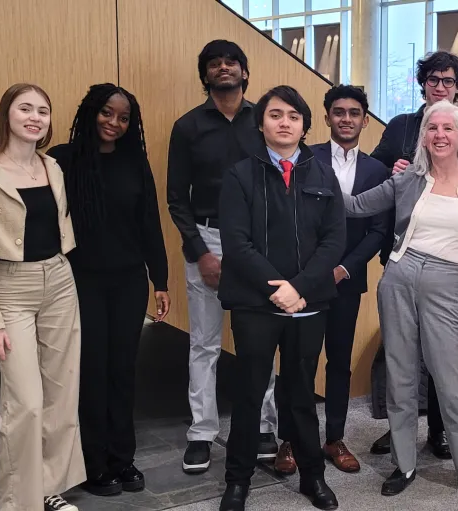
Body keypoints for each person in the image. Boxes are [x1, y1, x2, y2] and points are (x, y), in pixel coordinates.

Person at [343, 100, 458, 501]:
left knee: (451, 379)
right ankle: (404, 462)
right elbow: (357, 206)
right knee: (400, 374)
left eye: (447, 128)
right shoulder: (408, 179)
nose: (439, 134)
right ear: (423, 137)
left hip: (450, 280)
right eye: (432, 127)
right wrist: (314, 182)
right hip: (400, 274)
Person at [0, 83, 84, 511]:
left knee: (62, 396)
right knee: (25, 402)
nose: (34, 117)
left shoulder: (52, 167)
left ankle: (47, 488)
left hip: (59, 281)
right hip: (10, 288)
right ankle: (14, 501)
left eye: (42, 111)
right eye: (25, 108)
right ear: (6, 115)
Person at [217, 86, 345, 511]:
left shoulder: (322, 174)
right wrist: (279, 289)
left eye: (293, 116)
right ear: (261, 123)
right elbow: (236, 244)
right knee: (250, 392)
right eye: (275, 115)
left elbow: (333, 240)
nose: (284, 122)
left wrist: (300, 288)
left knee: (301, 393)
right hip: (255, 303)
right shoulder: (239, 175)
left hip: (308, 303)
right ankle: (237, 481)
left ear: (305, 125)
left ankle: (313, 476)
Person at [368, 50, 458, 459]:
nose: (440, 87)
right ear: (423, 84)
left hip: (453, 266)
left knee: (446, 364)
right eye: (434, 80)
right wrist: (393, 172)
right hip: (404, 256)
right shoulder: (401, 127)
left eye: (448, 81)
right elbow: (372, 174)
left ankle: (442, 434)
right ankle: (401, 441)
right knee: (400, 363)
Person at [47, 84, 170, 497]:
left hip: (129, 281)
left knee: (122, 370)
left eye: (123, 118)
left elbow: (149, 222)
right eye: (106, 113)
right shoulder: (62, 160)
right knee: (92, 371)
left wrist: (160, 280)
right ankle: (93, 461)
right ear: (90, 112)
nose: (114, 123)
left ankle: (122, 457)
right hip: (80, 281)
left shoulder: (135, 161)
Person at [167, 40, 277, 475]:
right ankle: (201, 433)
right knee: (204, 343)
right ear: (206, 75)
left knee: (262, 339)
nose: (224, 68)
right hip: (207, 239)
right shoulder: (187, 127)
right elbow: (177, 198)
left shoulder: (264, 120)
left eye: (232, 62)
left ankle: (265, 426)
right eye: (214, 64)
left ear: (245, 72)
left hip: (258, 241)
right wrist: (200, 253)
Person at [273, 85, 389, 476]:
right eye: (339, 112)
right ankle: (290, 440)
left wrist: (344, 268)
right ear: (326, 118)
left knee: (339, 362)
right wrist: (311, 272)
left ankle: (334, 438)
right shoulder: (304, 159)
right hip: (304, 280)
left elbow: (378, 231)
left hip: (346, 281)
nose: (346, 119)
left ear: (365, 121)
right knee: (297, 362)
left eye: (354, 113)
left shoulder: (376, 171)